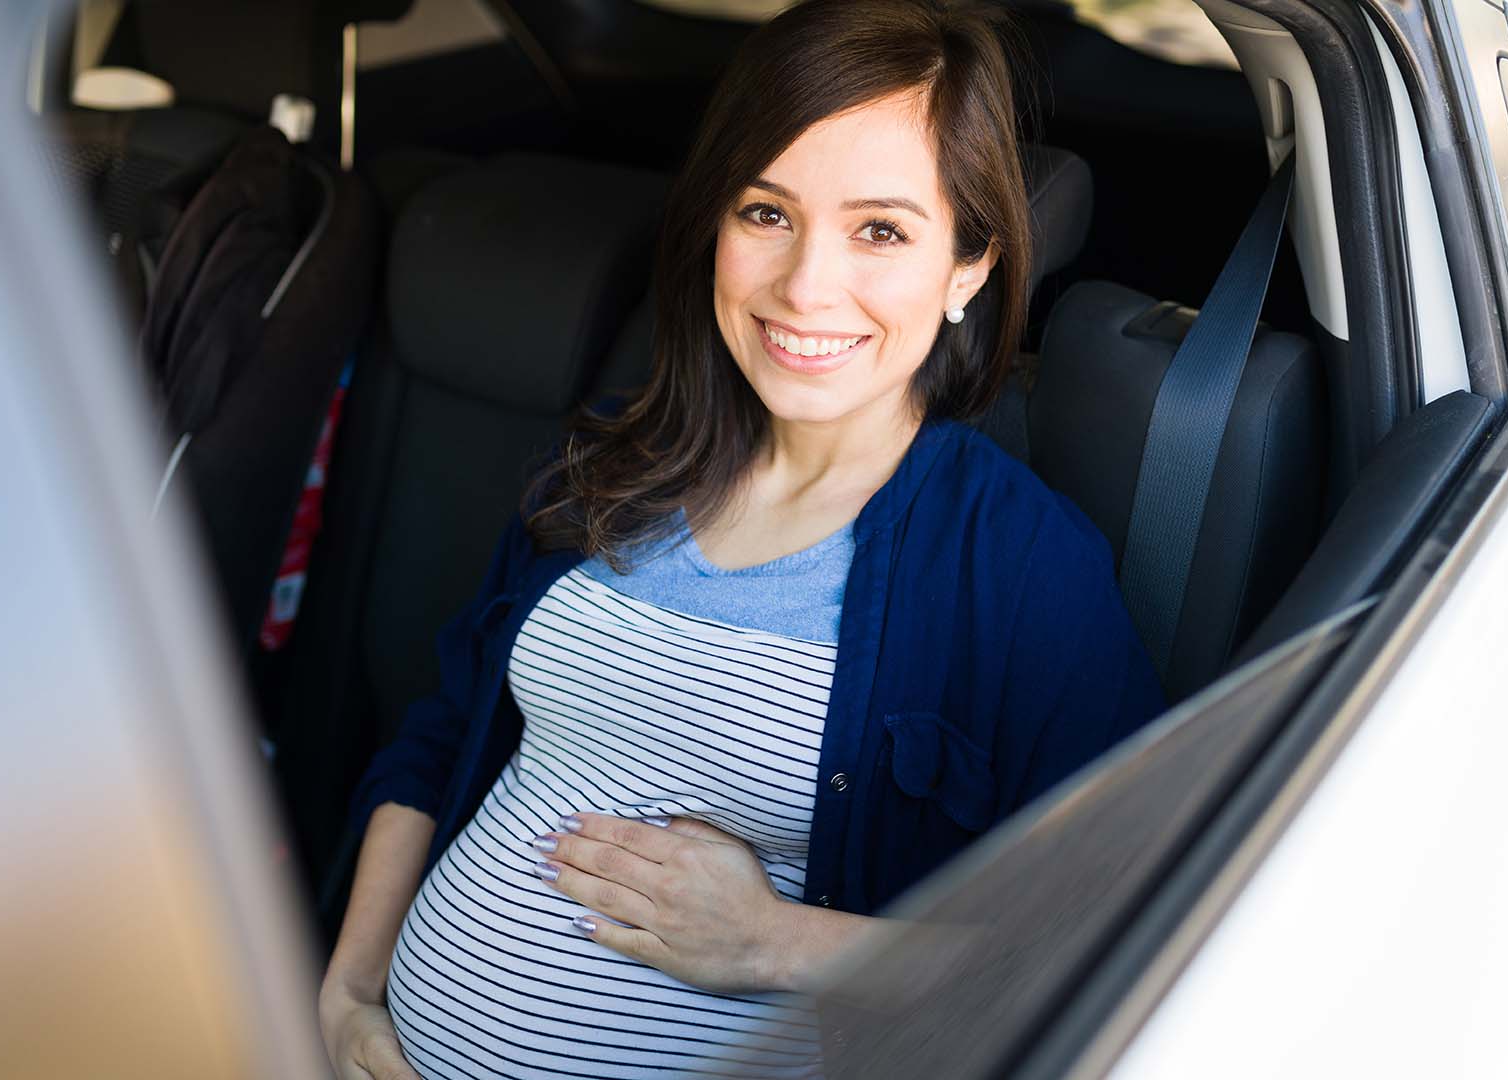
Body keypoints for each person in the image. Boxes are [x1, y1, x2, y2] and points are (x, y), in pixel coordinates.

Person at [318, 1, 1163, 1076]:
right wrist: (348, 992)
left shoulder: (1022, 571)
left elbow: (1121, 942)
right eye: (768, 213)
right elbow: (436, 742)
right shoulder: (612, 469)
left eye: (881, 230)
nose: (807, 287)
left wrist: (777, 944)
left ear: (969, 266)